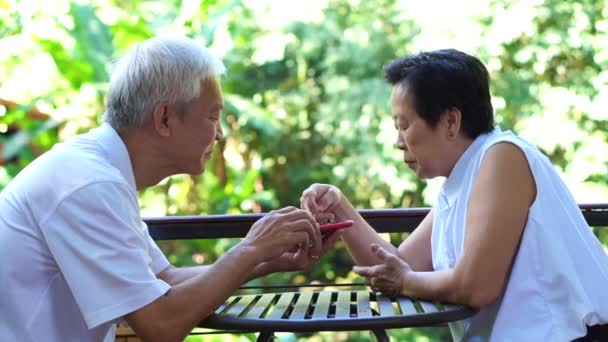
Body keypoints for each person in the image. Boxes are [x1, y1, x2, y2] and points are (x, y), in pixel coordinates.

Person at [0, 35, 335, 342]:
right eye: (212, 116)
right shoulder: (89, 183)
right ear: (164, 119)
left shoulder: (99, 171)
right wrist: (249, 250)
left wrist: (267, 258)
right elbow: (160, 324)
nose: (219, 135)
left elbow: (167, 280)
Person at [300, 49, 608, 341]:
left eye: (403, 125)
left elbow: (476, 287)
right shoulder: (461, 179)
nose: (398, 142)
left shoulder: (503, 156)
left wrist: (406, 282)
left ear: (450, 121)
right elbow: (398, 264)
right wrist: (338, 205)